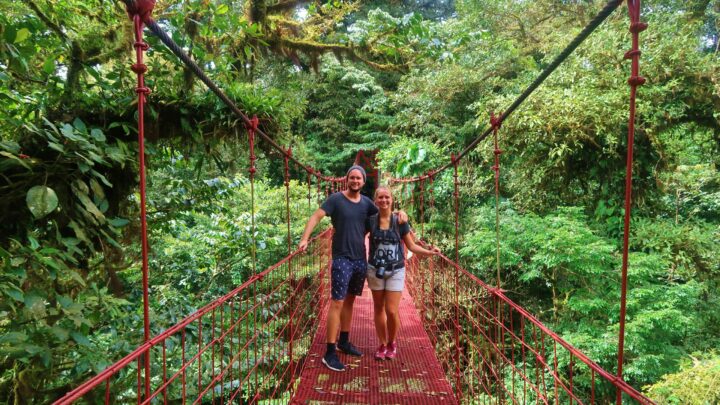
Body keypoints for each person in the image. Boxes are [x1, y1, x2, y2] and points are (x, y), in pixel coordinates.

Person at [298, 166, 406, 372]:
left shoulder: (367, 203)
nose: (355, 180)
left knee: (349, 300)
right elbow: (316, 217)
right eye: (352, 177)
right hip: (341, 258)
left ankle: (344, 341)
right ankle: (329, 352)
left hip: (360, 259)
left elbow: (386, 212)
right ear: (347, 179)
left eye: (359, 178)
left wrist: (402, 212)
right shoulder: (335, 200)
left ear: (363, 182)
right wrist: (304, 239)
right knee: (337, 302)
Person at [365, 186, 440, 361]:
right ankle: (382, 344)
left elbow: (412, 245)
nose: (384, 201)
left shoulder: (400, 221)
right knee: (378, 308)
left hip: (396, 269)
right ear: (375, 201)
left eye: (387, 197)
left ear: (392, 199)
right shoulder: (370, 220)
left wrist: (430, 252)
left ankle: (392, 342)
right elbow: (354, 232)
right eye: (380, 198)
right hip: (375, 269)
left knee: (391, 310)